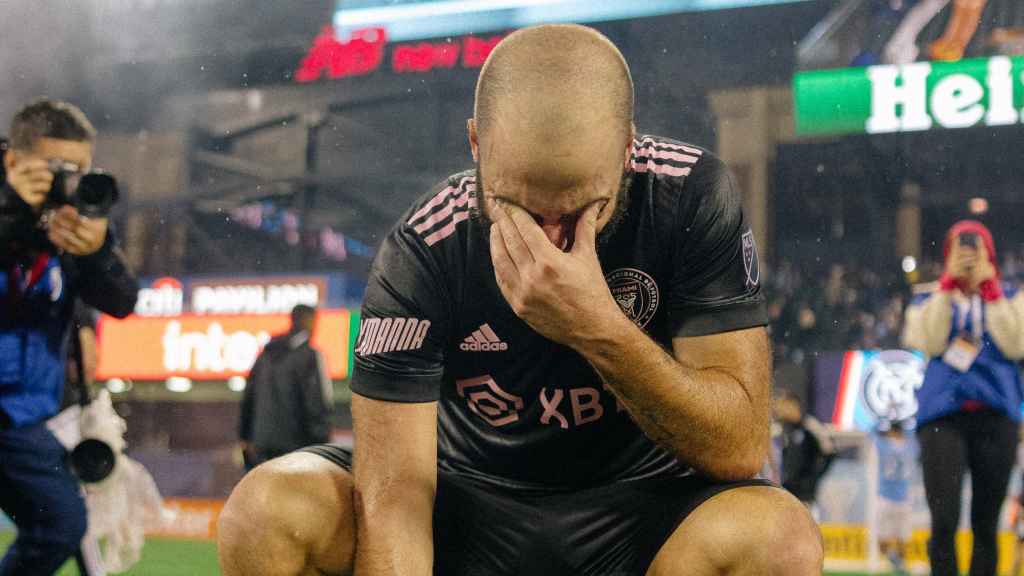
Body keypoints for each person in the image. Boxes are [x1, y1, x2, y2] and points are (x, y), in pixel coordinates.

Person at [218, 24, 822, 576]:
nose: (550, 240)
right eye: (521, 207)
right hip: (465, 505)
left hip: (643, 516)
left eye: (585, 206)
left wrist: (597, 328)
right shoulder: (425, 246)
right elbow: (396, 491)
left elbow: (740, 447)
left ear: (627, 149)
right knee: (266, 512)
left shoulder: (689, 197)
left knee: (781, 539)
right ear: (477, 145)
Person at [0, 99, 138, 575]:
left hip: (20, 417)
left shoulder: (74, 222)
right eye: (55, 168)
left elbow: (122, 300)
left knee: (61, 522)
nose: (68, 182)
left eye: (78, 169)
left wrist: (97, 252)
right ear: (13, 161)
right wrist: (13, 209)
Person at [902, 220, 1024, 576]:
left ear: (990, 254)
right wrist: (946, 286)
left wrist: (990, 289)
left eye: (976, 247)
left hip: (996, 417)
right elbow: (930, 341)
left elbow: (1016, 344)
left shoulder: (1013, 295)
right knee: (944, 519)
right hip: (942, 418)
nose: (968, 255)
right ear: (947, 254)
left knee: (986, 523)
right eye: (960, 248)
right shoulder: (928, 297)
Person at [238, 304, 333, 469]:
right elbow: (316, 403)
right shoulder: (310, 356)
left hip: (261, 445)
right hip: (297, 447)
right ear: (310, 322)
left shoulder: (265, 355)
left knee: (266, 493)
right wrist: (321, 444)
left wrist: (245, 436)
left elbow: (248, 397)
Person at [873, 420, 916, 575]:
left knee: (889, 540)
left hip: (887, 497)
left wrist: (885, 416)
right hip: (902, 499)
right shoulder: (912, 446)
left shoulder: (883, 444)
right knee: (901, 539)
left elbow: (873, 429)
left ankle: (896, 563)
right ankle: (897, 562)